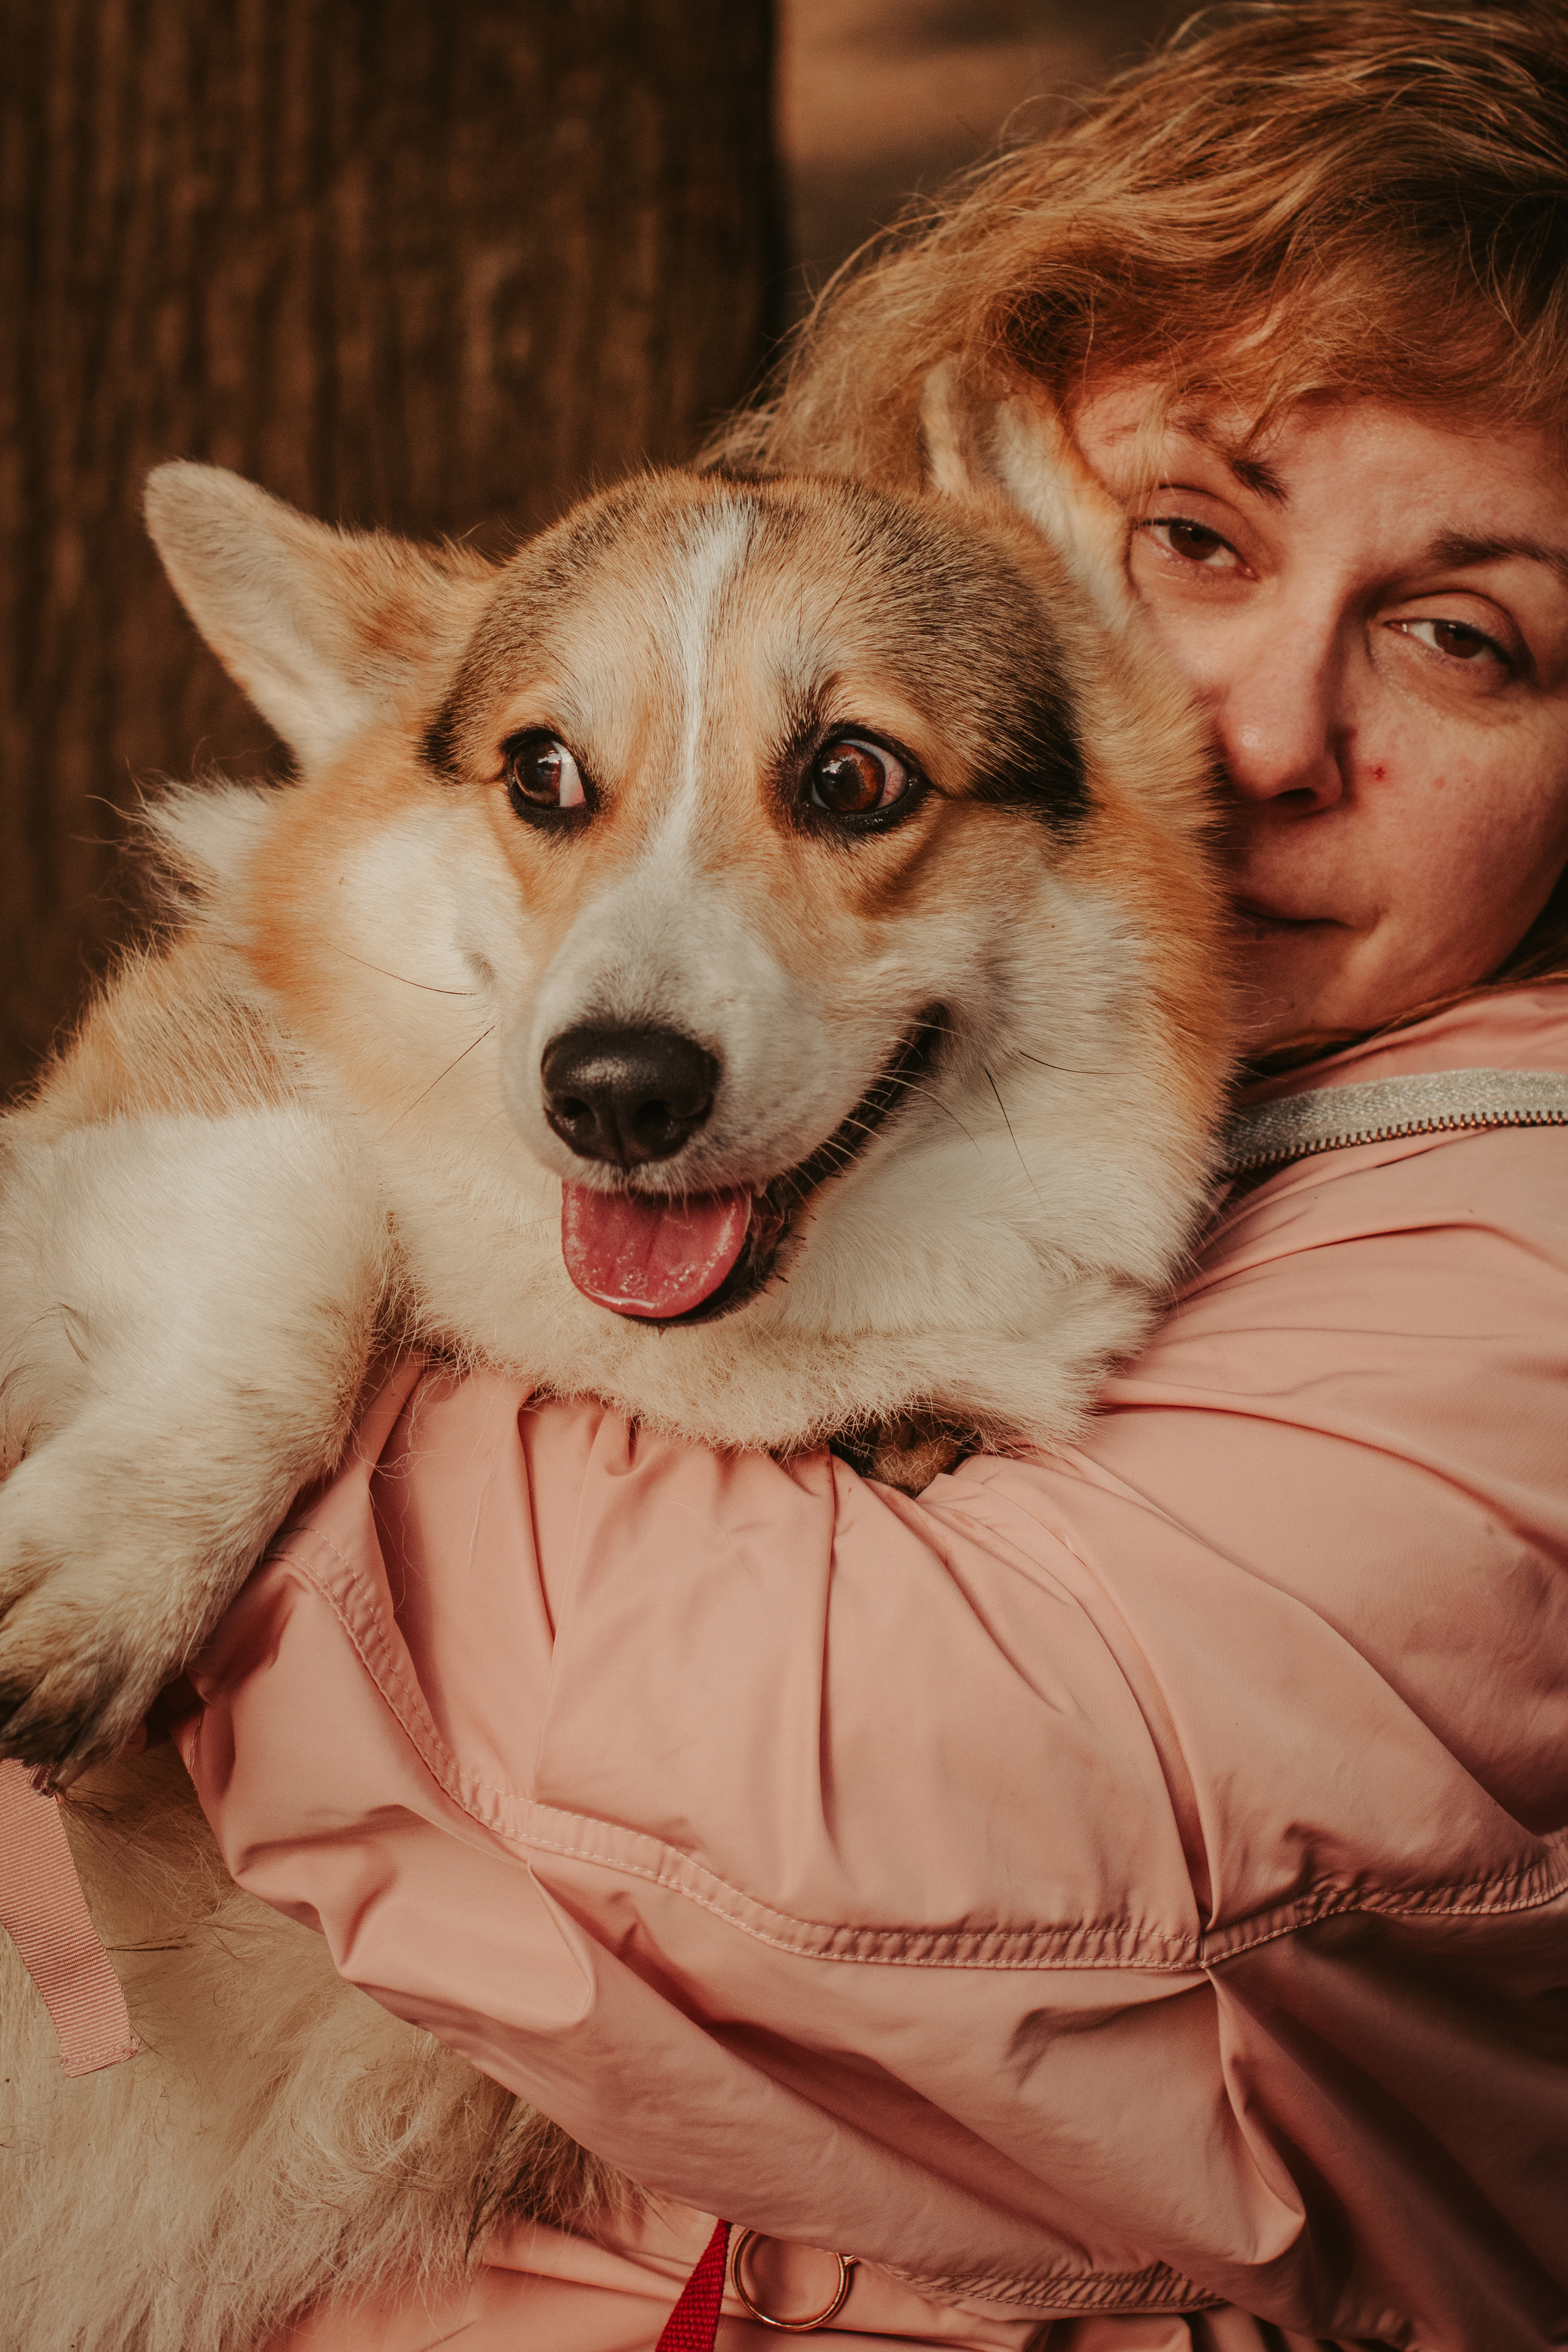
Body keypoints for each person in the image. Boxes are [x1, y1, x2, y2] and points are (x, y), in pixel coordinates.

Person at [183, 5, 1568, 2345]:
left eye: (1462, 635)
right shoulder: (886, 1038)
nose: (1248, 735)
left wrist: (217, 1293)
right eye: (1191, 540)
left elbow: (781, 1822)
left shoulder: (1511, 1251)